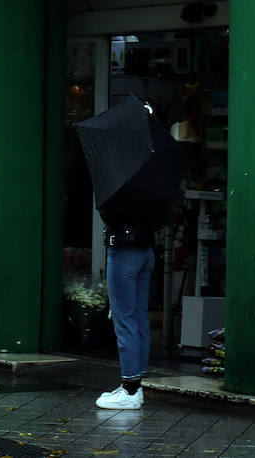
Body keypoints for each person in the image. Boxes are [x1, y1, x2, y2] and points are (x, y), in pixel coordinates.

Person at [94, 102, 184, 410]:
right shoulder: (159, 161)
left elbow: (109, 210)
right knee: (139, 317)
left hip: (125, 249)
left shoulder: (124, 163)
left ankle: (130, 388)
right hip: (147, 248)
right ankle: (137, 381)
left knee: (124, 319)